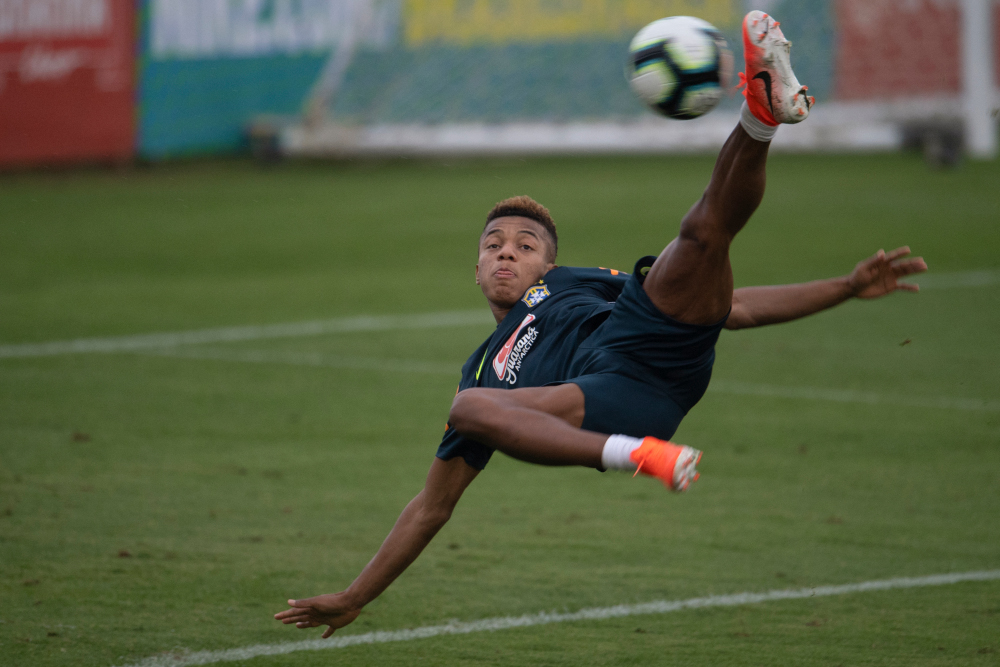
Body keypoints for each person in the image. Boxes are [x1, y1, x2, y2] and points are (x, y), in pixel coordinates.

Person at [275, 10, 927, 637]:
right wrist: (356, 595)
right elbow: (432, 505)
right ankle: (636, 454)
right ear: (475, 269)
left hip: (650, 338)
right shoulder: (482, 367)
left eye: (526, 243)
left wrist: (844, 287)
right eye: (494, 242)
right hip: (607, 393)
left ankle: (761, 116)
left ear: (548, 264)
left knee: (702, 234)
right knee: (469, 406)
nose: (508, 250)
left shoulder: (572, 283)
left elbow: (738, 307)